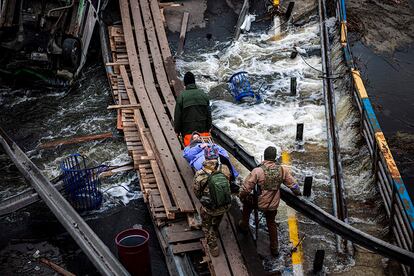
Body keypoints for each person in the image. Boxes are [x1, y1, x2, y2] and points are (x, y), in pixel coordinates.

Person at [238, 146, 301, 257]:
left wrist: (241, 196)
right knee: (271, 224)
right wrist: (298, 193)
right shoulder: (282, 170)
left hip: (258, 203)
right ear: (275, 157)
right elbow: (294, 186)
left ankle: (243, 226)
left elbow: (246, 188)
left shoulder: (258, 171)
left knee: (247, 204)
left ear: (265, 156)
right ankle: (274, 248)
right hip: (273, 205)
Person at [193, 144, 232, 257]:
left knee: (206, 226)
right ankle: (215, 229)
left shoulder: (200, 174)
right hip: (225, 205)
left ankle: (213, 246)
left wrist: (203, 199)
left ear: (205, 157)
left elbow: (196, 192)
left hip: (210, 208)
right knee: (218, 218)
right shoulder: (225, 169)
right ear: (217, 156)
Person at [174, 72, 212, 146]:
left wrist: (177, 131)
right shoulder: (203, 94)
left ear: (184, 84)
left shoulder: (182, 97)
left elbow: (177, 116)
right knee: (204, 151)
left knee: (191, 151)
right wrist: (209, 127)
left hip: (188, 133)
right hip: (203, 132)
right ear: (194, 82)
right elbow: (209, 114)